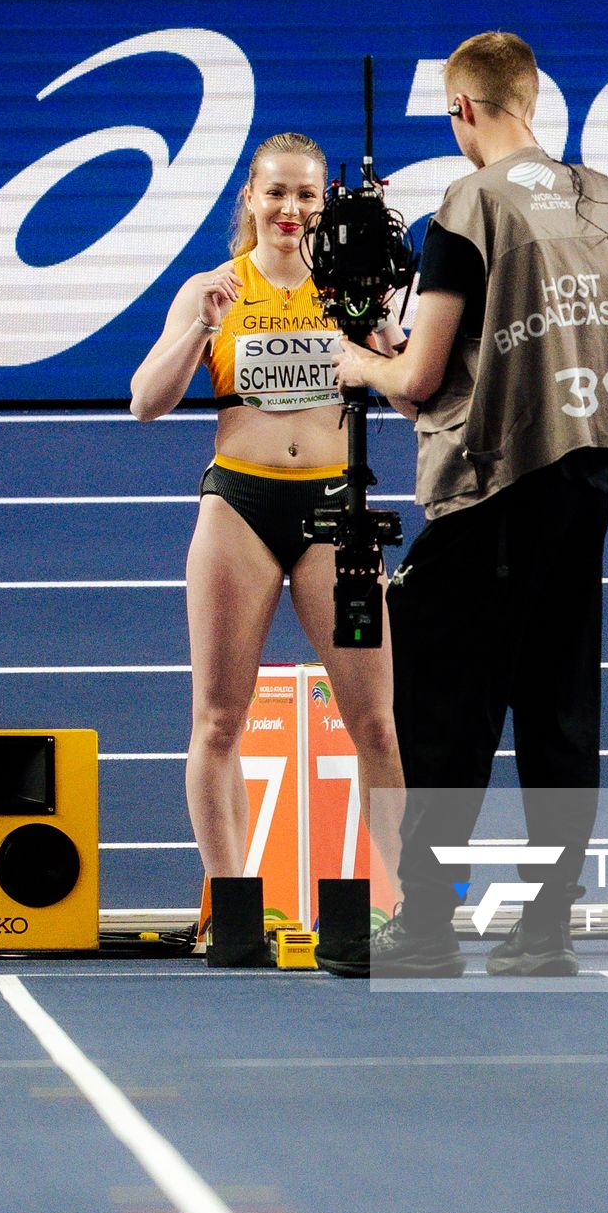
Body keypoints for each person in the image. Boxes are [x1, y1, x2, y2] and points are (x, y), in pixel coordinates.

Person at [335, 32, 608, 977]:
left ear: (462, 112)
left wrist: (357, 356)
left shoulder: (466, 205)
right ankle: (545, 930)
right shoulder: (600, 198)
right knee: (561, 713)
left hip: (492, 490)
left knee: (447, 714)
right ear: (531, 100)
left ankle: (429, 926)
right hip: (587, 475)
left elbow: (419, 378)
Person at [129, 132, 408, 907]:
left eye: (306, 195)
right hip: (239, 508)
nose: (291, 209)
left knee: (378, 725)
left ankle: (402, 903)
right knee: (218, 720)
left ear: (326, 203)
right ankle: (233, 904)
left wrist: (381, 324)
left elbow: (412, 397)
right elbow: (144, 403)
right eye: (276, 193)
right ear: (249, 198)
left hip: (333, 512)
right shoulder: (213, 286)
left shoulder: (350, 290)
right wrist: (198, 329)